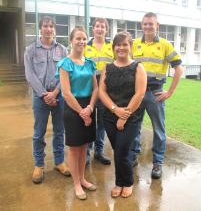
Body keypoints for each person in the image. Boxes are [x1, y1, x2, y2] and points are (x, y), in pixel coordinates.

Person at [131, 12, 183, 179]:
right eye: (145, 23)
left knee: (159, 130)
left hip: (155, 94)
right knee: (134, 127)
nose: (148, 26)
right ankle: (133, 156)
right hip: (136, 94)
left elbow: (178, 68)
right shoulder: (134, 44)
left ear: (157, 25)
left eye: (151, 24)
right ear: (141, 25)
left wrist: (170, 92)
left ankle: (157, 163)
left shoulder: (165, 45)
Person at [99, 31, 147, 198]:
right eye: (118, 44)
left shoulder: (138, 67)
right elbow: (101, 92)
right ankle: (120, 181)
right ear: (113, 48)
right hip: (109, 116)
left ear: (130, 46)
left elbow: (139, 94)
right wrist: (114, 110)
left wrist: (123, 115)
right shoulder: (108, 68)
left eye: (125, 44)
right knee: (118, 150)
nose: (121, 47)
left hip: (131, 116)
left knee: (122, 150)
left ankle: (126, 182)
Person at [24, 16, 70, 184]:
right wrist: (44, 94)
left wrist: (56, 92)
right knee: (39, 133)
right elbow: (30, 75)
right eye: (45, 26)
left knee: (60, 131)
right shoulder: (30, 50)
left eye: (51, 26)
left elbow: (66, 73)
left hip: (59, 97)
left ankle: (59, 162)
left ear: (54, 29)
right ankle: (39, 165)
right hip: (40, 97)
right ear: (40, 28)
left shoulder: (63, 50)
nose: (48, 29)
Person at [56, 27, 98, 200]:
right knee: (75, 148)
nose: (81, 41)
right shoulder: (65, 63)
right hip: (73, 108)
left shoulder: (90, 63)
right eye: (78, 38)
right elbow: (66, 92)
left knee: (84, 147)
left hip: (89, 104)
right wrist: (82, 112)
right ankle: (76, 183)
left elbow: (96, 88)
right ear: (71, 40)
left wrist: (90, 108)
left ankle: (82, 178)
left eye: (84, 38)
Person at [84, 18, 113, 166]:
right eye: (97, 26)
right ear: (93, 29)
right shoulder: (85, 46)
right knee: (88, 121)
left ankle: (99, 152)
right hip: (88, 89)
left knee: (102, 122)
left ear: (106, 29)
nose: (100, 29)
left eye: (103, 26)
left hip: (105, 90)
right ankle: (87, 153)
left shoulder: (112, 46)